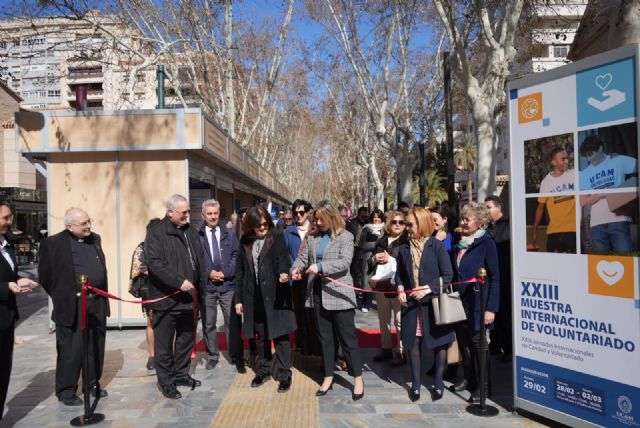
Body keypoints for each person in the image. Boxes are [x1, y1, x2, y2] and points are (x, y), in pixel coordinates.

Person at [292, 200, 364, 401]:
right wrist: (295, 269)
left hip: (340, 295)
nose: (318, 222)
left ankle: (357, 378)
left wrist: (321, 267)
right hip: (317, 294)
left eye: (321, 219)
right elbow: (303, 258)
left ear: (331, 217)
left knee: (347, 339)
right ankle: (328, 376)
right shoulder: (313, 237)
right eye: (316, 219)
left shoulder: (346, 236)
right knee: (325, 339)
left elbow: (344, 262)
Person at [39, 208, 109, 406]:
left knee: (95, 345)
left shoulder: (95, 239)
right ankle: (66, 390)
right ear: (69, 226)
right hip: (72, 305)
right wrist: (63, 296)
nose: (89, 226)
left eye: (89, 221)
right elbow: (46, 276)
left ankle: (92, 383)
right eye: (83, 223)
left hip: (96, 302)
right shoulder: (52, 244)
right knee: (71, 348)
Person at [145, 194, 206, 399]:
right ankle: (167, 382)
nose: (188, 216)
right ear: (170, 212)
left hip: (189, 299)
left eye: (189, 211)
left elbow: (199, 258)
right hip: (166, 298)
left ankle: (181, 374)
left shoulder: (190, 231)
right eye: (184, 212)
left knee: (186, 340)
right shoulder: (156, 232)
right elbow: (155, 264)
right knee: (164, 345)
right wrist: (178, 281)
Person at [395, 207, 454, 402]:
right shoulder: (403, 248)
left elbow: (448, 276)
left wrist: (427, 289)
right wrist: (401, 288)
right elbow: (399, 275)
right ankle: (416, 385)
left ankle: (438, 382)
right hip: (412, 306)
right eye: (406, 224)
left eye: (410, 224)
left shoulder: (436, 246)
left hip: (434, 304)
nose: (407, 228)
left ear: (421, 224)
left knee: (440, 344)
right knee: (412, 344)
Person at [234, 206, 295, 393]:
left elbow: (284, 259)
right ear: (250, 225)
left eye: (266, 223)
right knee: (261, 336)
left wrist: (284, 273)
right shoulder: (245, 240)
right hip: (254, 296)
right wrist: (239, 299)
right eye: (259, 225)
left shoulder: (277, 236)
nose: (263, 228)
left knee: (280, 336)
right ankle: (264, 370)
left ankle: (285, 374)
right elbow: (240, 272)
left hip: (276, 295)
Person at [453, 202, 500, 403]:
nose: (463, 222)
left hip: (479, 303)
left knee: (479, 344)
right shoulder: (459, 241)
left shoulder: (487, 242)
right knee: (464, 343)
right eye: (462, 218)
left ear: (480, 223)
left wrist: (491, 308)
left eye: (467, 219)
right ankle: (470, 378)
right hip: (460, 302)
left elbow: (496, 277)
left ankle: (484, 385)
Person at [0, 202, 39, 419]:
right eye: (5, 218)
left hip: (6, 318)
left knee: (4, 373)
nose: (9, 221)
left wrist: (18, 280)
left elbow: (6, 275)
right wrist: (5, 287)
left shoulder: (7, 244)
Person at [197, 199, 239, 371]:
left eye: (215, 213)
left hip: (227, 285)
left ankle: (234, 354)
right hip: (207, 286)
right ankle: (212, 355)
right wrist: (208, 273)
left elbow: (237, 255)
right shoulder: (197, 235)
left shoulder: (229, 233)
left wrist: (226, 272)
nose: (213, 217)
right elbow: (197, 259)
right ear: (203, 215)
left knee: (232, 321)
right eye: (209, 214)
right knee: (209, 323)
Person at [578, 136, 638, 253]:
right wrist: (603, 194)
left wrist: (629, 188)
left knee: (625, 260)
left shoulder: (617, 161)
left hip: (619, 218)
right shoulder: (584, 174)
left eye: (590, 154)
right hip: (596, 223)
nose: (589, 159)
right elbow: (583, 201)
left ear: (600, 148)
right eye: (586, 156)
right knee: (601, 263)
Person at [368, 210, 408, 366]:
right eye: (394, 222)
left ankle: (401, 352)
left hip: (399, 286)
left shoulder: (407, 241)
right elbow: (370, 262)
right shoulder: (382, 241)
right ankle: (386, 348)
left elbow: (407, 263)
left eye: (401, 222)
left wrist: (390, 258)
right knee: (383, 320)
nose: (397, 225)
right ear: (389, 224)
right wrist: (374, 259)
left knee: (399, 321)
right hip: (382, 286)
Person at [283, 199, 319, 355]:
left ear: (307, 213)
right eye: (295, 213)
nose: (298, 215)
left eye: (301, 212)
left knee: (314, 312)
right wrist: (292, 271)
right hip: (296, 280)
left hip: (314, 278)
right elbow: (284, 255)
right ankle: (303, 346)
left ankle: (316, 346)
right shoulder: (288, 232)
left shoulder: (316, 230)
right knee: (299, 313)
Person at [129, 218, 162, 370]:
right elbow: (138, 268)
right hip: (150, 290)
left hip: (166, 289)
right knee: (151, 323)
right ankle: (152, 355)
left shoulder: (166, 245)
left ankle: (166, 354)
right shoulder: (142, 247)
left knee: (168, 322)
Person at [532, 147, 576, 253]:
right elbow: (540, 208)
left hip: (573, 230)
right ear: (553, 162)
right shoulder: (546, 182)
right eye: (563, 159)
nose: (566, 161)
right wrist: (534, 231)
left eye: (567, 158)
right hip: (554, 232)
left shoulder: (574, 174)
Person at [485, 196, 512, 362]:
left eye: (489, 207)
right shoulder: (490, 228)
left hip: (505, 277)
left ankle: (508, 348)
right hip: (493, 277)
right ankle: (495, 344)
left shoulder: (508, 225)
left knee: (505, 314)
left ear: (499, 207)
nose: (487, 211)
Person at [358, 209, 385, 312]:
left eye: (378, 217)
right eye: (374, 217)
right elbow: (363, 244)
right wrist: (377, 244)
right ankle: (366, 303)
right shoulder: (366, 228)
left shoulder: (386, 228)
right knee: (367, 281)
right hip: (368, 257)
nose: (376, 219)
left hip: (382, 257)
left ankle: (381, 304)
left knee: (381, 280)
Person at [346, 206, 369, 288]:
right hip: (353, 247)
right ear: (358, 215)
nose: (364, 218)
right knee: (353, 266)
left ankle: (359, 283)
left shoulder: (368, 224)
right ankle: (354, 283)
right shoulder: (351, 223)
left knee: (360, 267)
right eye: (362, 216)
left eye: (365, 217)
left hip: (363, 248)